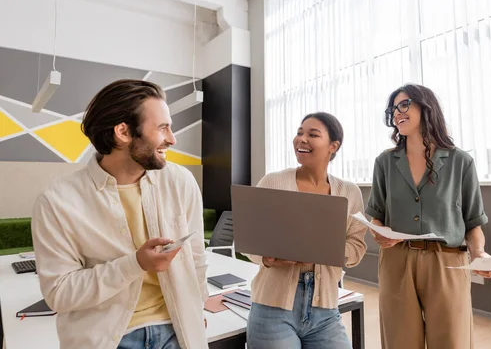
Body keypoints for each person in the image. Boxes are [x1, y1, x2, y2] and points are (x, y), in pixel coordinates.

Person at [31, 79, 209, 349]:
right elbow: (60, 293)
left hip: (177, 330)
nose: (172, 139)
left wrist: (198, 309)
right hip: (107, 339)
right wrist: (135, 264)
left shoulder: (180, 182)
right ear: (123, 133)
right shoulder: (57, 201)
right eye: (162, 128)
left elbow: (195, 258)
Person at [367, 84, 491, 349]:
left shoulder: (460, 162)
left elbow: (473, 221)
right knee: (399, 341)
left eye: (403, 105)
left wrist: (480, 254)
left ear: (426, 107)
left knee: (452, 340)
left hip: (447, 263)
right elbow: (377, 216)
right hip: (397, 262)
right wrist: (378, 232)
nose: (397, 113)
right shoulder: (384, 162)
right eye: (393, 109)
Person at [245, 112, 368, 349]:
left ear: (333, 146)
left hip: (326, 310)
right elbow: (252, 241)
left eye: (312, 134)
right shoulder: (272, 182)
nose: (302, 139)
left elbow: (357, 246)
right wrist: (267, 258)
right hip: (272, 307)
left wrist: (326, 248)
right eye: (300, 132)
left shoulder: (349, 192)